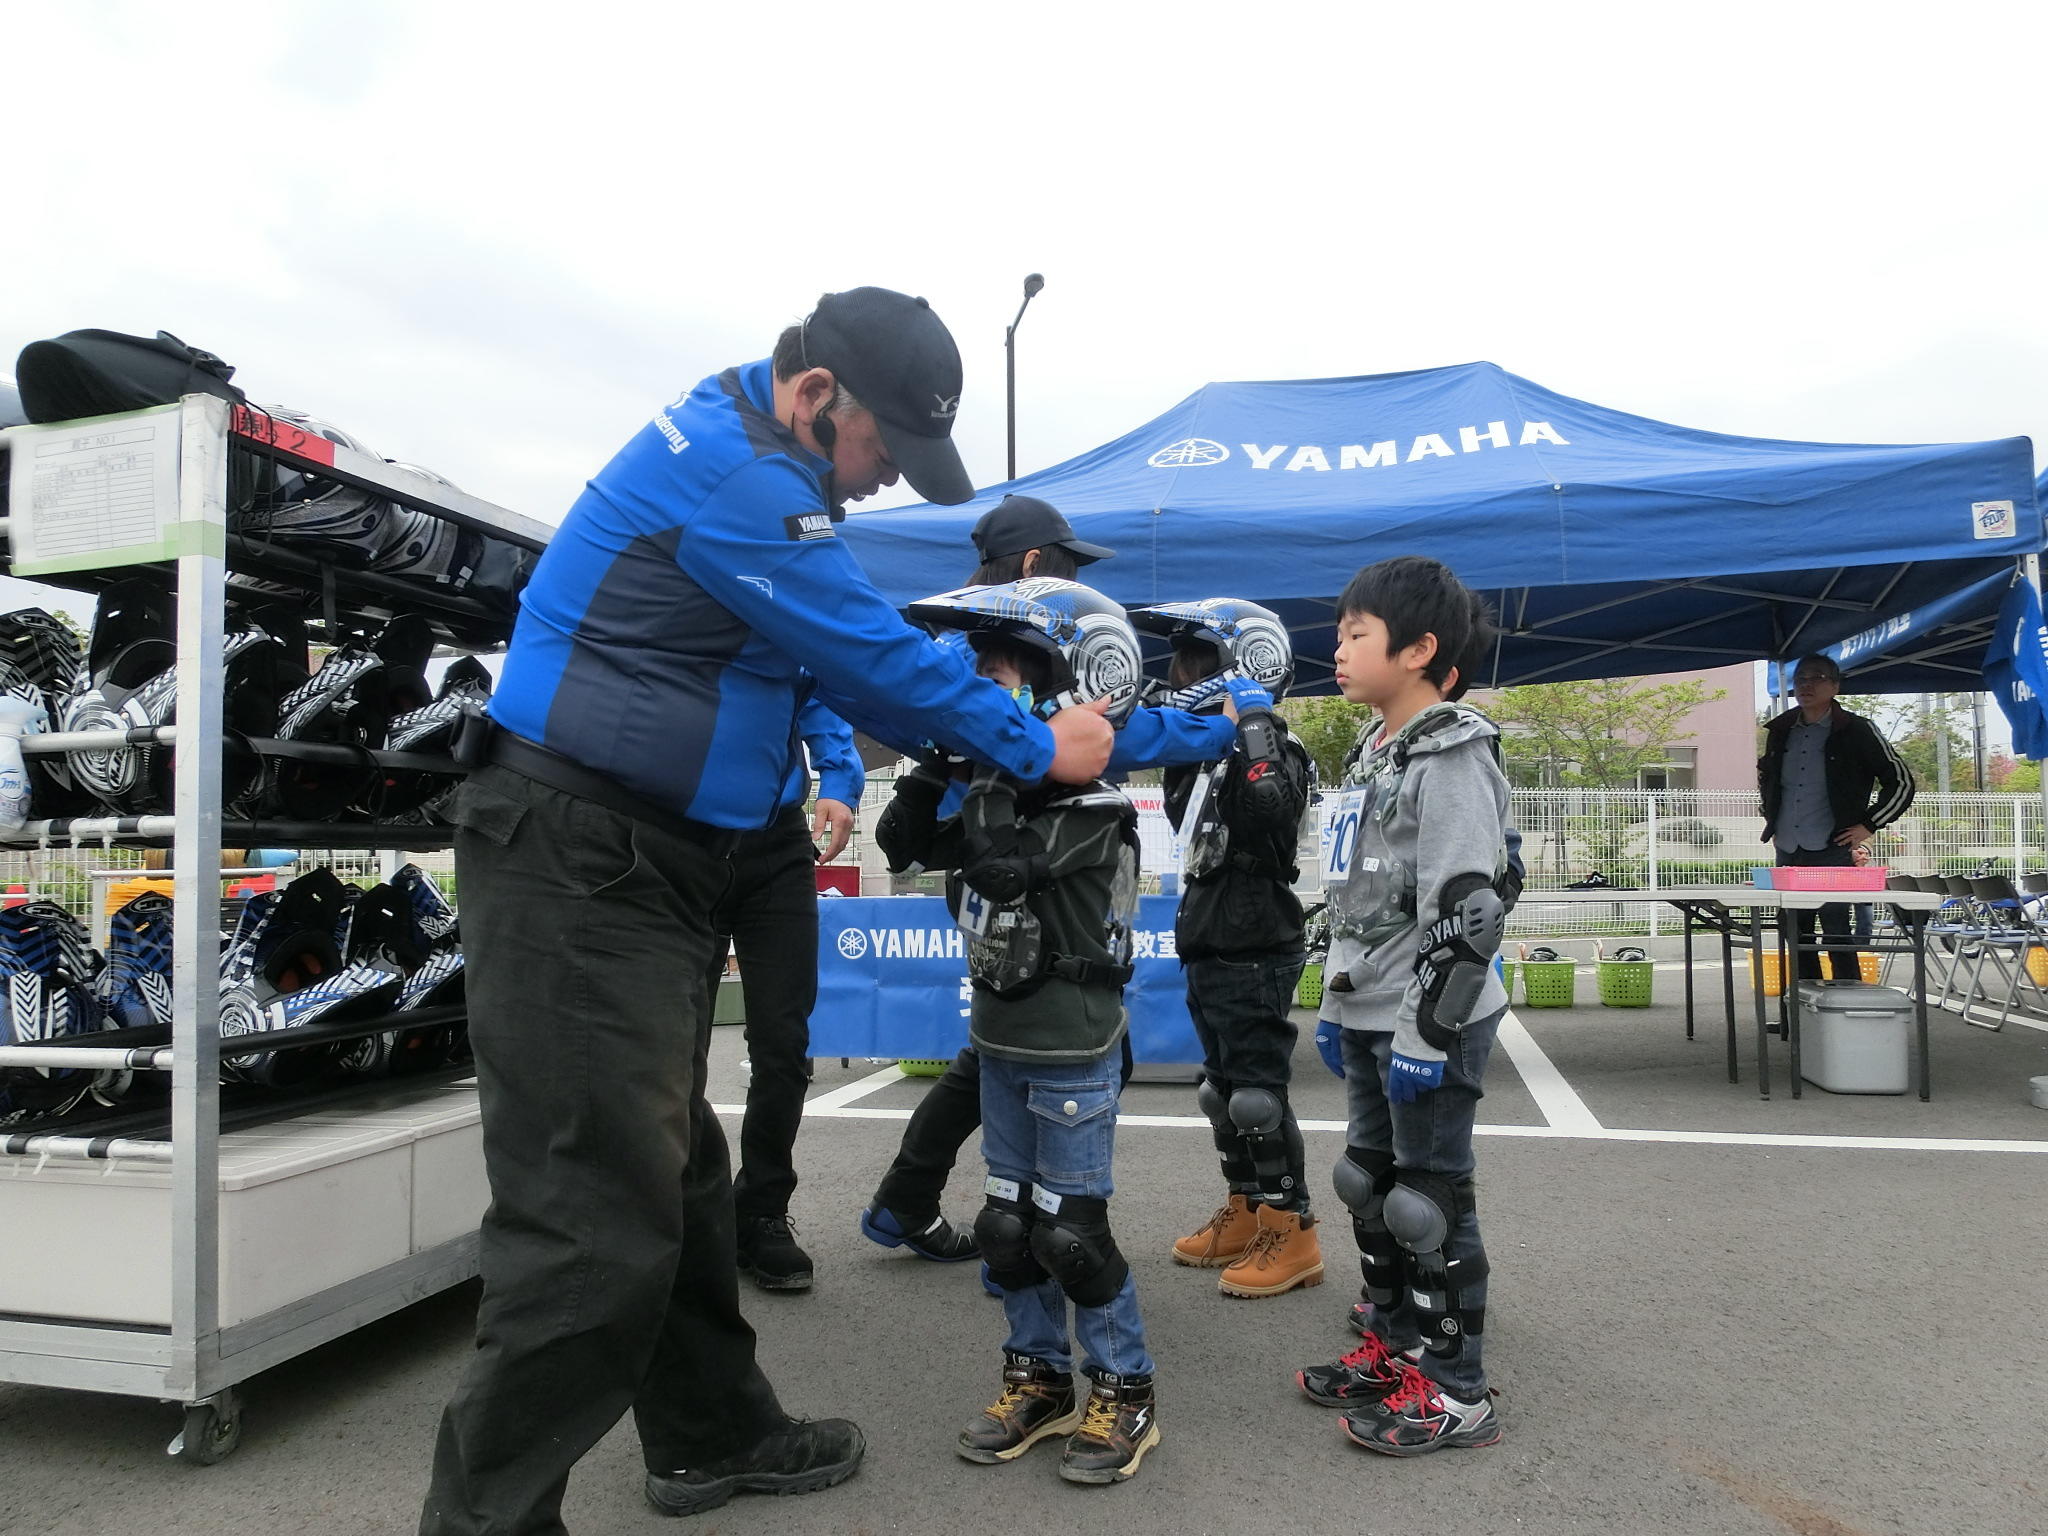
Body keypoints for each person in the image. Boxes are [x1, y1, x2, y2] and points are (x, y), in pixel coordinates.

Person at [419, 287, 1116, 1534]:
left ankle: (709, 1436)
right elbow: (870, 654)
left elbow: (863, 676)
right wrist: (1036, 744)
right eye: (878, 452)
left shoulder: (754, 465)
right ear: (813, 398)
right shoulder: (741, 481)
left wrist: (1002, 733)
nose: (881, 484)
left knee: (677, 1179)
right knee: (587, 1226)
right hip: (577, 859)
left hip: (636, 862)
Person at [859, 496, 1245, 1264]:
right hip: (1024, 875)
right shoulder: (1024, 659)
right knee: (1051, 1049)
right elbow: (1121, 731)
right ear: (1036, 567)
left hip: (976, 870)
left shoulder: (950, 645)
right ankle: (1046, 1226)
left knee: (993, 1051)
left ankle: (915, 1201)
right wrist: (1227, 722)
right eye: (1066, 565)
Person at [874, 578, 1161, 1484]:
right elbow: (900, 842)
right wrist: (932, 758)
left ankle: (1126, 1386)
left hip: (1071, 1046)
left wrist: (989, 760)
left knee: (1070, 1232)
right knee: (1008, 1228)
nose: (982, 684)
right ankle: (1036, 1376)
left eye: (1000, 670)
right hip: (1000, 1041)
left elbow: (1000, 870)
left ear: (1069, 680)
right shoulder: (995, 787)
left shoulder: (1093, 806)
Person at [1294, 555, 1511, 1457]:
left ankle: (1457, 1389)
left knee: (1428, 1200)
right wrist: (1337, 1006)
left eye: (1356, 634)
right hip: (1370, 1005)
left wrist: (1429, 1023)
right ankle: (1395, 1345)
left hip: (1431, 1014)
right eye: (1339, 632)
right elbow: (1360, 894)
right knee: (1367, 1184)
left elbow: (1467, 906)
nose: (1336, 649)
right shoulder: (1377, 751)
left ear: (1419, 650)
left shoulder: (1453, 750)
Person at [1129, 599, 1322, 1298]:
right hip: (1209, 928)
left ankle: (1291, 1227)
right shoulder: (1212, 752)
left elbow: (1269, 805)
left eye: (1192, 660)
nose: (1178, 672)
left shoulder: (1277, 751)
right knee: (1222, 1091)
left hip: (1255, 933)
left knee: (1256, 1099)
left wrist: (1256, 723)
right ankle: (1246, 1209)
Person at [718, 692, 860, 1292]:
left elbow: (821, 699)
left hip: (775, 844)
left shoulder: (773, 601)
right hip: (673, 840)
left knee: (784, 1042)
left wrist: (840, 782)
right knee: (663, 1042)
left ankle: (761, 1212)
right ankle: (675, 1214)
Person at [1758, 655, 1914, 980]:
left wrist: (1869, 825)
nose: (1806, 685)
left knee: (1837, 930)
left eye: (1817, 678)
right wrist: (1771, 818)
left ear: (1835, 685)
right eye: (1800, 678)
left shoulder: (1855, 729)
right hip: (1788, 846)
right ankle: (1803, 1013)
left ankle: (1846, 1010)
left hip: (1832, 846)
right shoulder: (1782, 729)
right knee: (1794, 933)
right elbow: (1768, 778)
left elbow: (1901, 781)